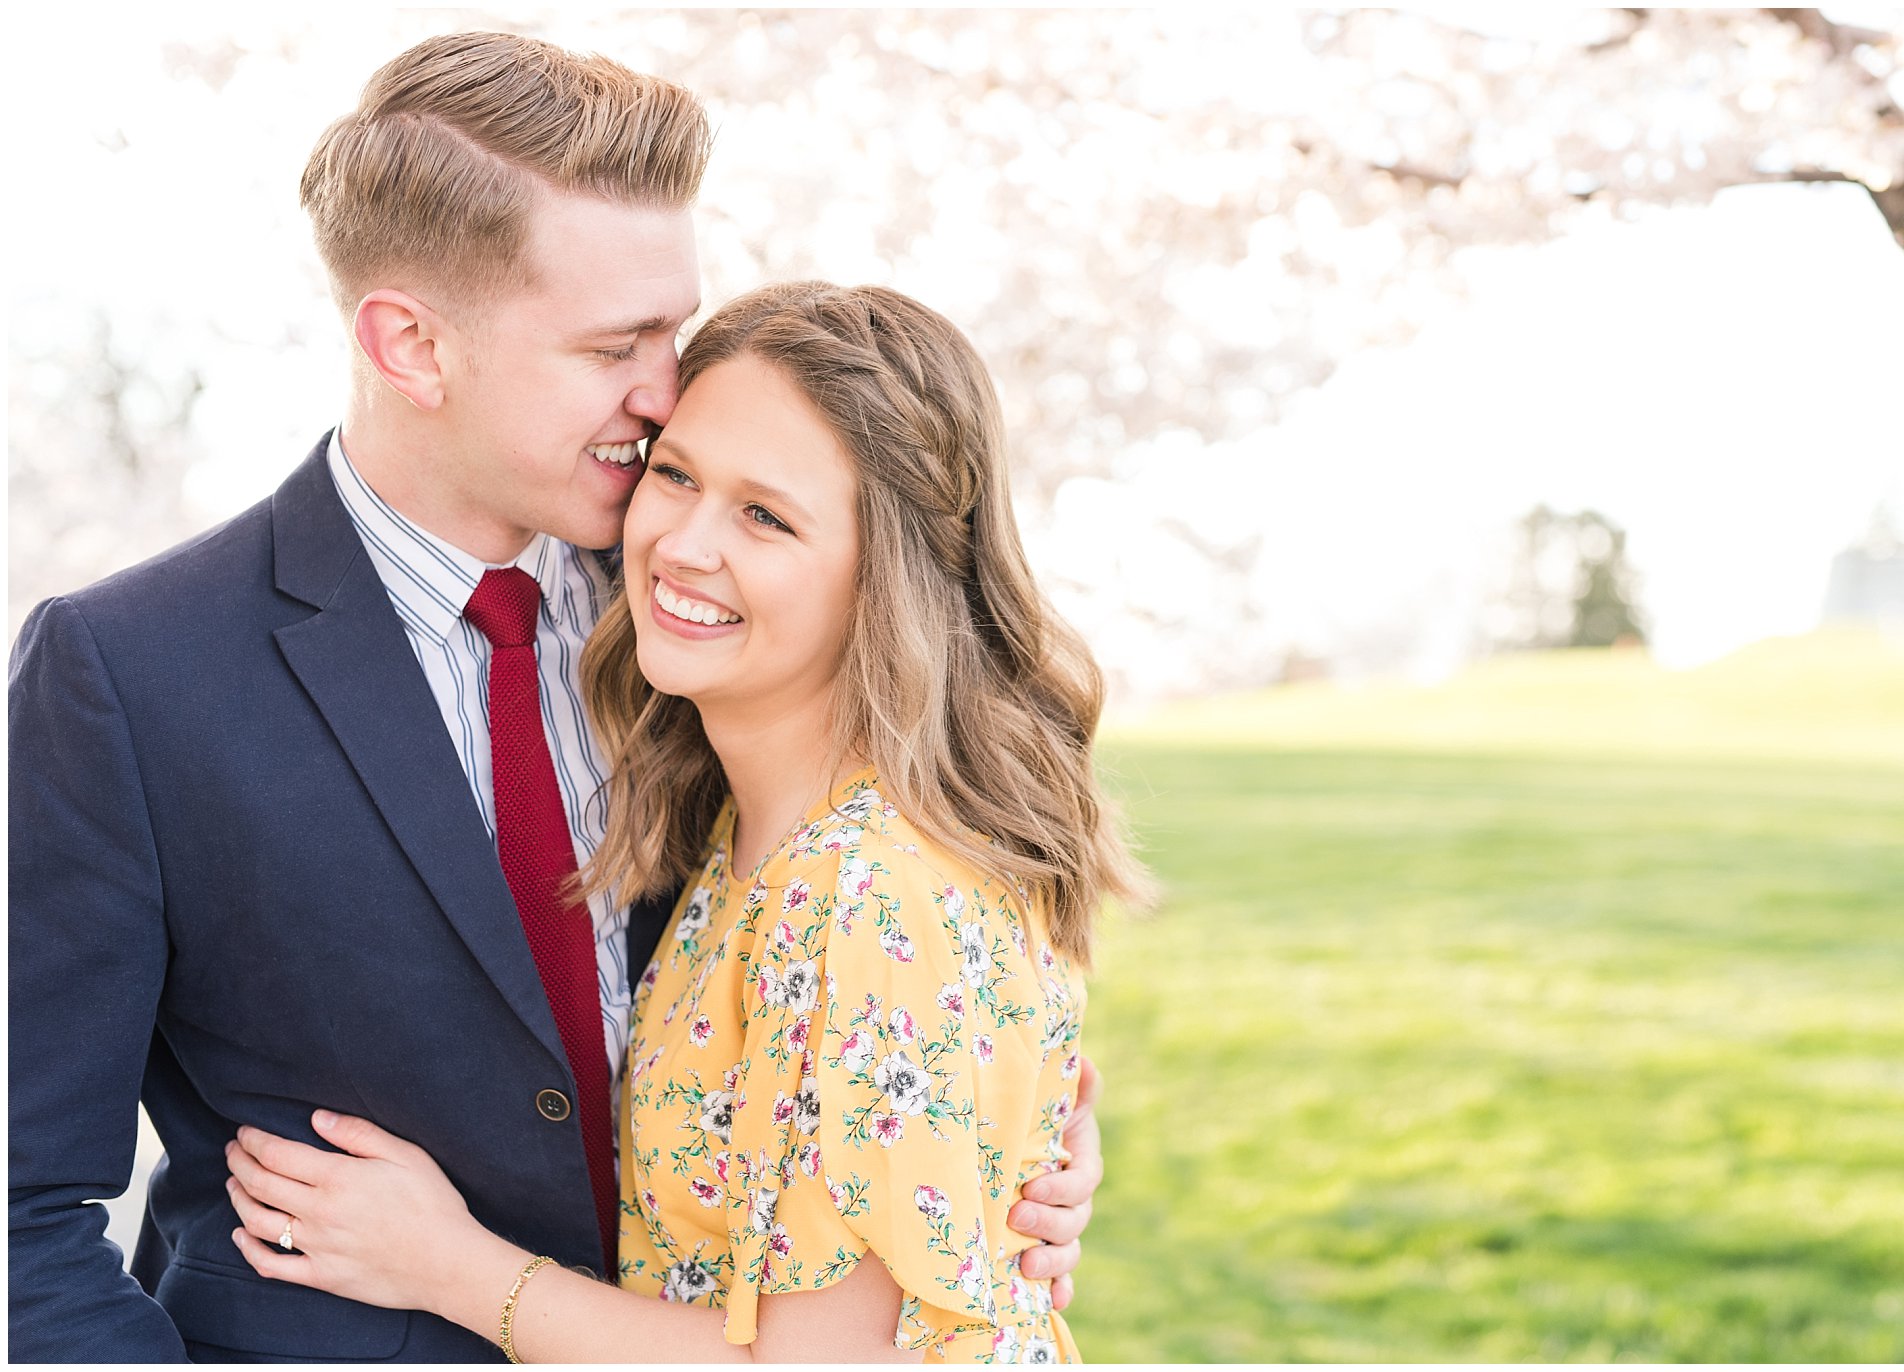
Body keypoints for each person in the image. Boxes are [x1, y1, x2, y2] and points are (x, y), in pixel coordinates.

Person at [7, 35, 1099, 1364]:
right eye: (614, 345)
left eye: (673, 330)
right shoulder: (130, 677)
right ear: (411, 344)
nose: (662, 396)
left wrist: (985, 1169)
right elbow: (21, 1222)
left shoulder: (703, 612)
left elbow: (895, 982)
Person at [220, 281, 1146, 1363]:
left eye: (765, 515)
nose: (682, 543)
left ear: (882, 576)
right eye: (675, 474)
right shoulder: (742, 836)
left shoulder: (866, 887)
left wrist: (449, 1267)